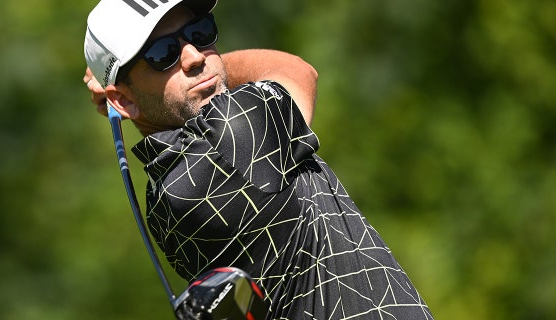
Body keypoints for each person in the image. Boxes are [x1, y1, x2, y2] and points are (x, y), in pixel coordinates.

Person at [83, 0, 434, 319]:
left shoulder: (160, 203)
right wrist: (212, 70)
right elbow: (296, 70)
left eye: (200, 32)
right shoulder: (237, 130)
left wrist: (132, 95)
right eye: (162, 55)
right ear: (122, 101)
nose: (195, 57)